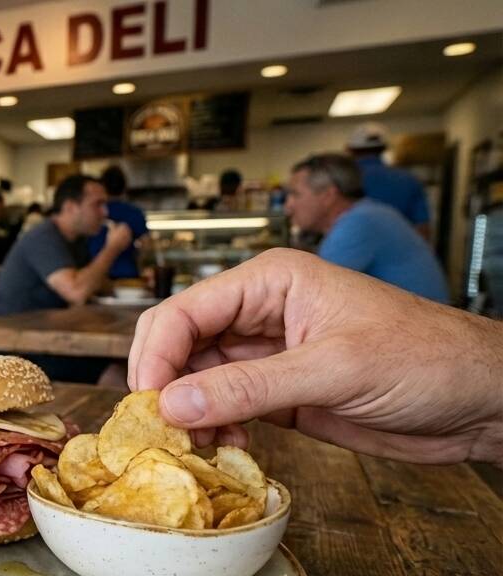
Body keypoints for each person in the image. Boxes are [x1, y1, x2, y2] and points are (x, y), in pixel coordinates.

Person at [126, 248, 503, 466]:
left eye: (297, 193)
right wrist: (485, 424)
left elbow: (332, 269)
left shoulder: (358, 221)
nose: (290, 203)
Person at [0, 173, 132, 383]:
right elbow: (76, 292)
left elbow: (92, 284)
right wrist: (112, 248)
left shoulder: (77, 241)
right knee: (116, 374)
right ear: (70, 207)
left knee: (127, 363)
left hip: (50, 337)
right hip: (18, 347)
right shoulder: (43, 237)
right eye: (98, 204)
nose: (105, 212)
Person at [285, 153, 448, 303]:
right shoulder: (369, 212)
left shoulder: (357, 223)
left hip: (423, 330)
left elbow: (311, 294)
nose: (288, 206)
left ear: (328, 196)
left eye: (295, 194)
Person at [347, 122, 431, 241]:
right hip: (401, 250)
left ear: (350, 150)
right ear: (385, 148)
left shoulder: (343, 180)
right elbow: (423, 228)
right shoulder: (409, 179)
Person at [86, 166, 149, 279]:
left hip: (95, 273)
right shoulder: (134, 212)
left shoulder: (93, 211)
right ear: (124, 187)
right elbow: (146, 245)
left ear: (102, 186)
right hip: (127, 273)